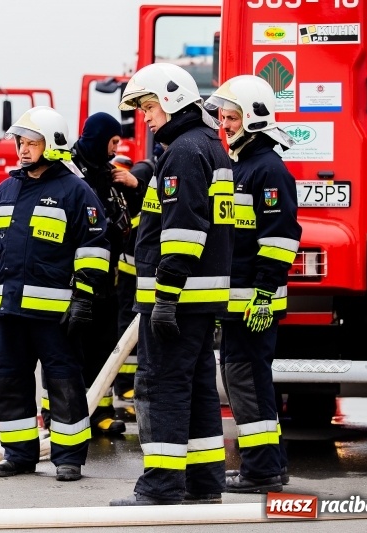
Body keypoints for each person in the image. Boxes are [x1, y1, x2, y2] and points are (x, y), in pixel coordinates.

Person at [108, 63, 235, 506]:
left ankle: (161, 488)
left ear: (173, 99)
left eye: (148, 105)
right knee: (197, 387)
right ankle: (203, 483)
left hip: (177, 300)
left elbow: (183, 230)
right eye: (141, 107)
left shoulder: (183, 152)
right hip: (200, 299)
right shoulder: (210, 148)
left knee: (163, 386)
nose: (144, 115)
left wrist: (165, 294)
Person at [0, 106, 111, 482]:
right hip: (10, 311)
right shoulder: (6, 189)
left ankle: (68, 459)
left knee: (64, 383)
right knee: (9, 380)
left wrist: (83, 298)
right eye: (20, 142)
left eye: (32, 142)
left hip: (56, 315)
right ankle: (18, 454)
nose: (23, 149)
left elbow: (95, 248)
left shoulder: (75, 191)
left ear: (53, 145)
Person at [206, 75, 302, 493]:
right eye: (223, 116)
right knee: (244, 381)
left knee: (248, 382)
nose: (224, 124)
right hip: (239, 302)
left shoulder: (268, 169)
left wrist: (263, 294)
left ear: (255, 118)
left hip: (254, 303)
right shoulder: (242, 165)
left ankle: (262, 471)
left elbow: (281, 240)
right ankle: (267, 467)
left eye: (232, 117)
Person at [40, 112, 144, 437]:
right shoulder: (69, 172)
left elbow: (135, 212)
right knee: (68, 352)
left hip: (106, 281)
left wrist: (134, 184)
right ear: (100, 139)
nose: (116, 149)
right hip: (73, 283)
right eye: (113, 142)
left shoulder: (109, 174)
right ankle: (57, 417)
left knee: (102, 349)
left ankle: (98, 413)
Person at [113, 146, 162, 405]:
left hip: (141, 266)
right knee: (128, 323)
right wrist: (136, 182)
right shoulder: (147, 171)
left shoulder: (153, 172)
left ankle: (128, 384)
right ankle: (124, 385)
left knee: (136, 323)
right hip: (132, 268)